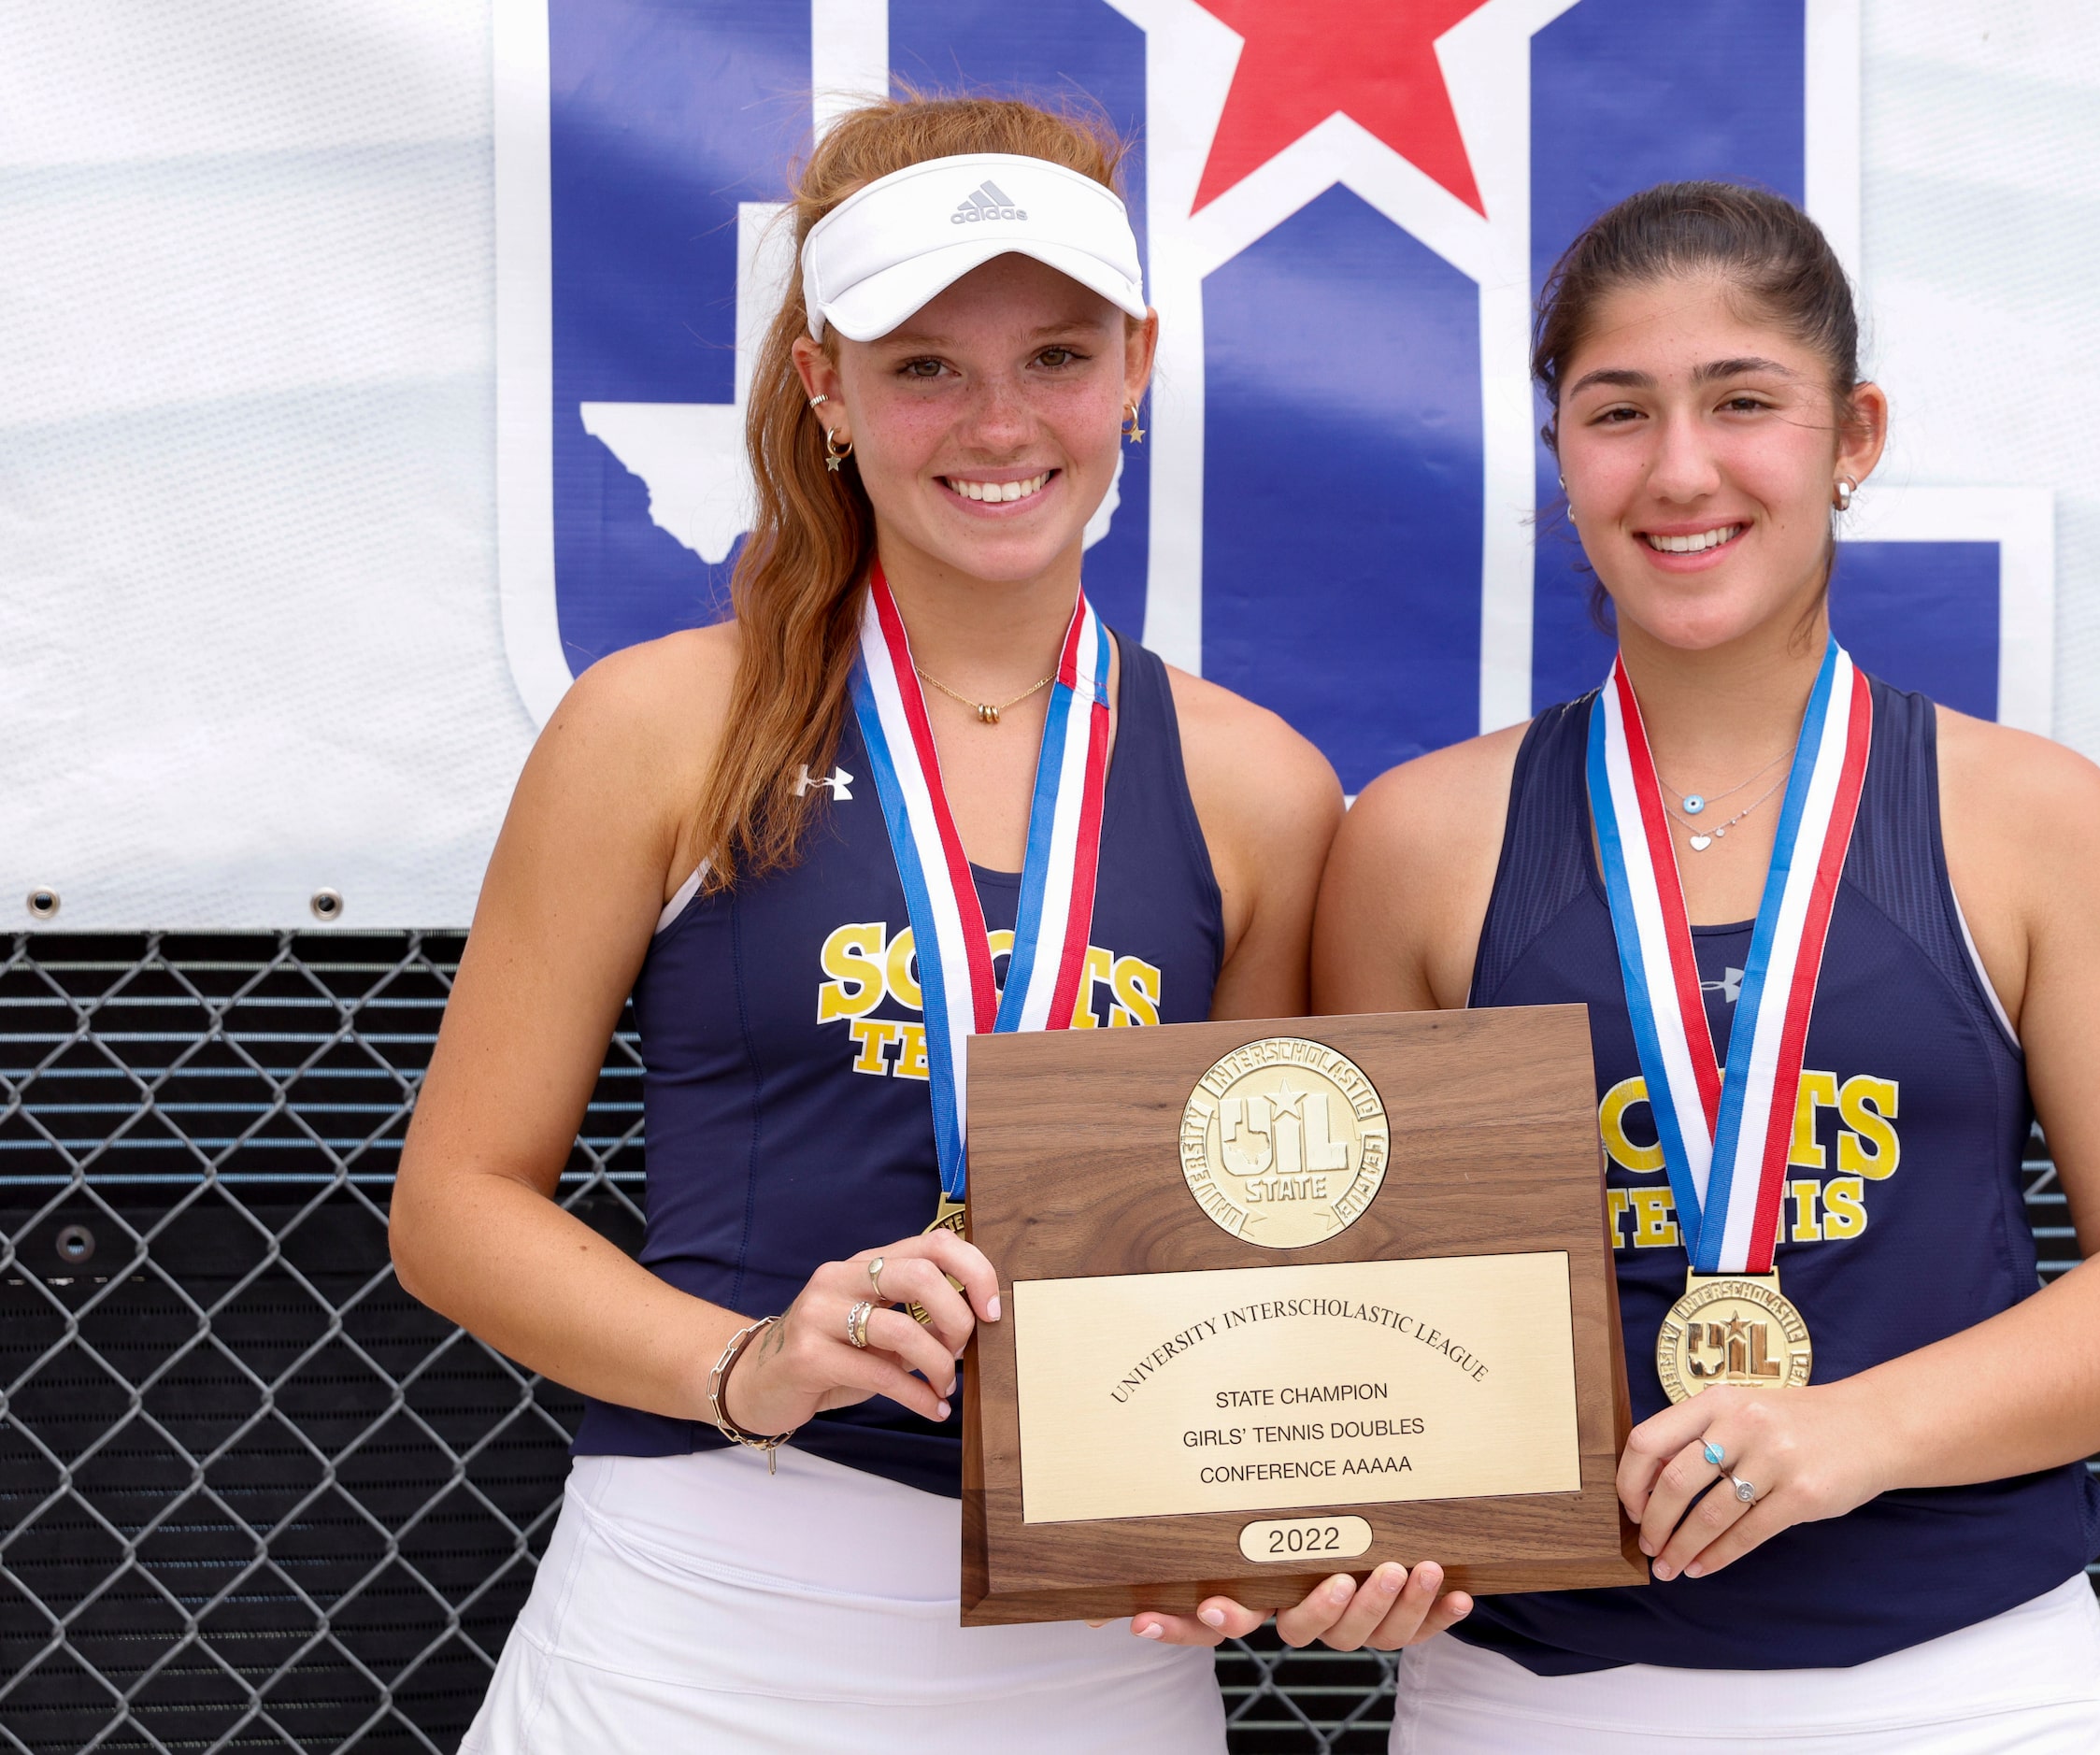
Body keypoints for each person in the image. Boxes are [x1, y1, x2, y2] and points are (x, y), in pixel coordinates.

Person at [390, 94, 1399, 1751]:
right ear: (823, 390)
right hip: (697, 1627)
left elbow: (1262, 1268)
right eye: (925, 363)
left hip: (1092, 1655)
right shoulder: (662, 727)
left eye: (1057, 357)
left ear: (1137, 370)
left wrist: (1300, 1525)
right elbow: (452, 1204)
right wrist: (747, 1363)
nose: (998, 421)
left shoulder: (1262, 788)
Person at [1309, 181, 2100, 1752]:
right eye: (1619, 412)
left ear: (1854, 434)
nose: (1682, 469)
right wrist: (1342, 1524)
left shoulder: (2034, 819)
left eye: (1743, 401)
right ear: (1560, 451)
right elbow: (1350, 1298)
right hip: (1533, 1697)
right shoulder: (1420, 836)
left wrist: (1855, 1433)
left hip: (1966, 1683)